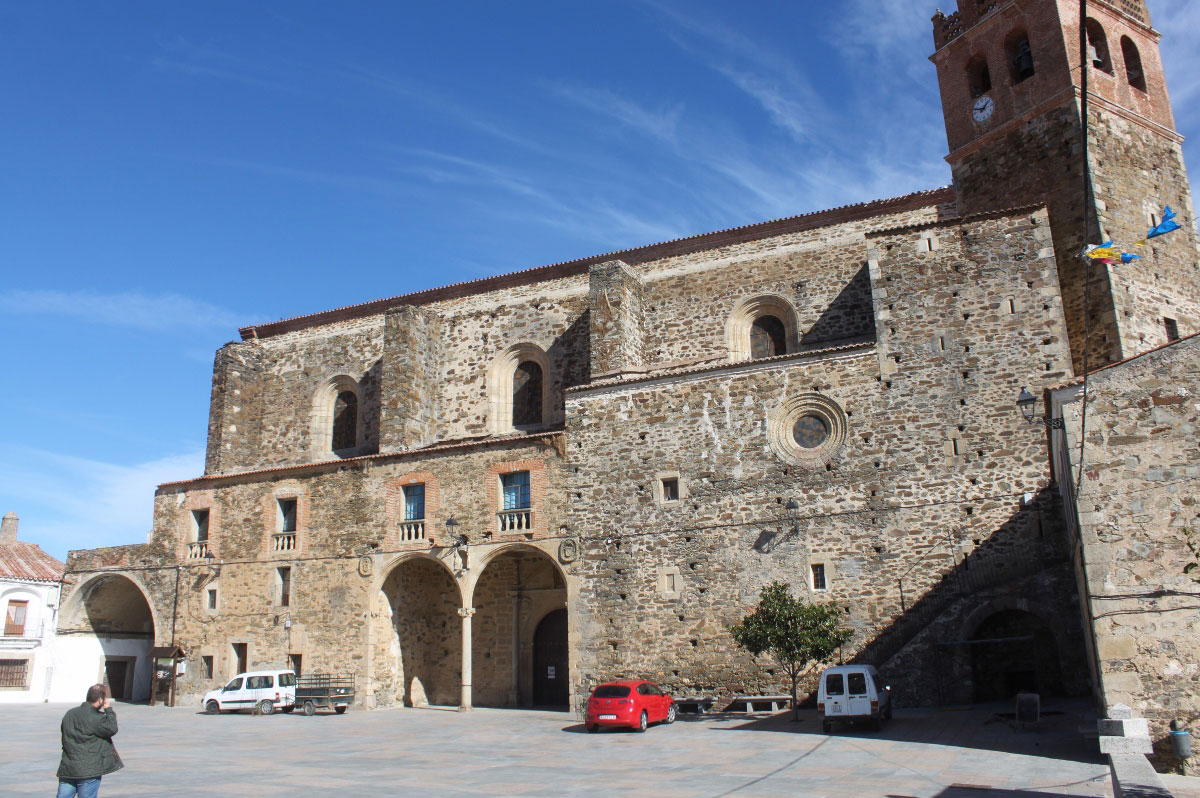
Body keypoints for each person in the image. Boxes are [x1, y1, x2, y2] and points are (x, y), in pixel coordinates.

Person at [56, 683, 123, 798]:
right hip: (89, 770)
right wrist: (108, 709)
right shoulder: (96, 718)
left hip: (68, 767)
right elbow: (112, 728)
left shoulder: (70, 713)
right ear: (100, 700)